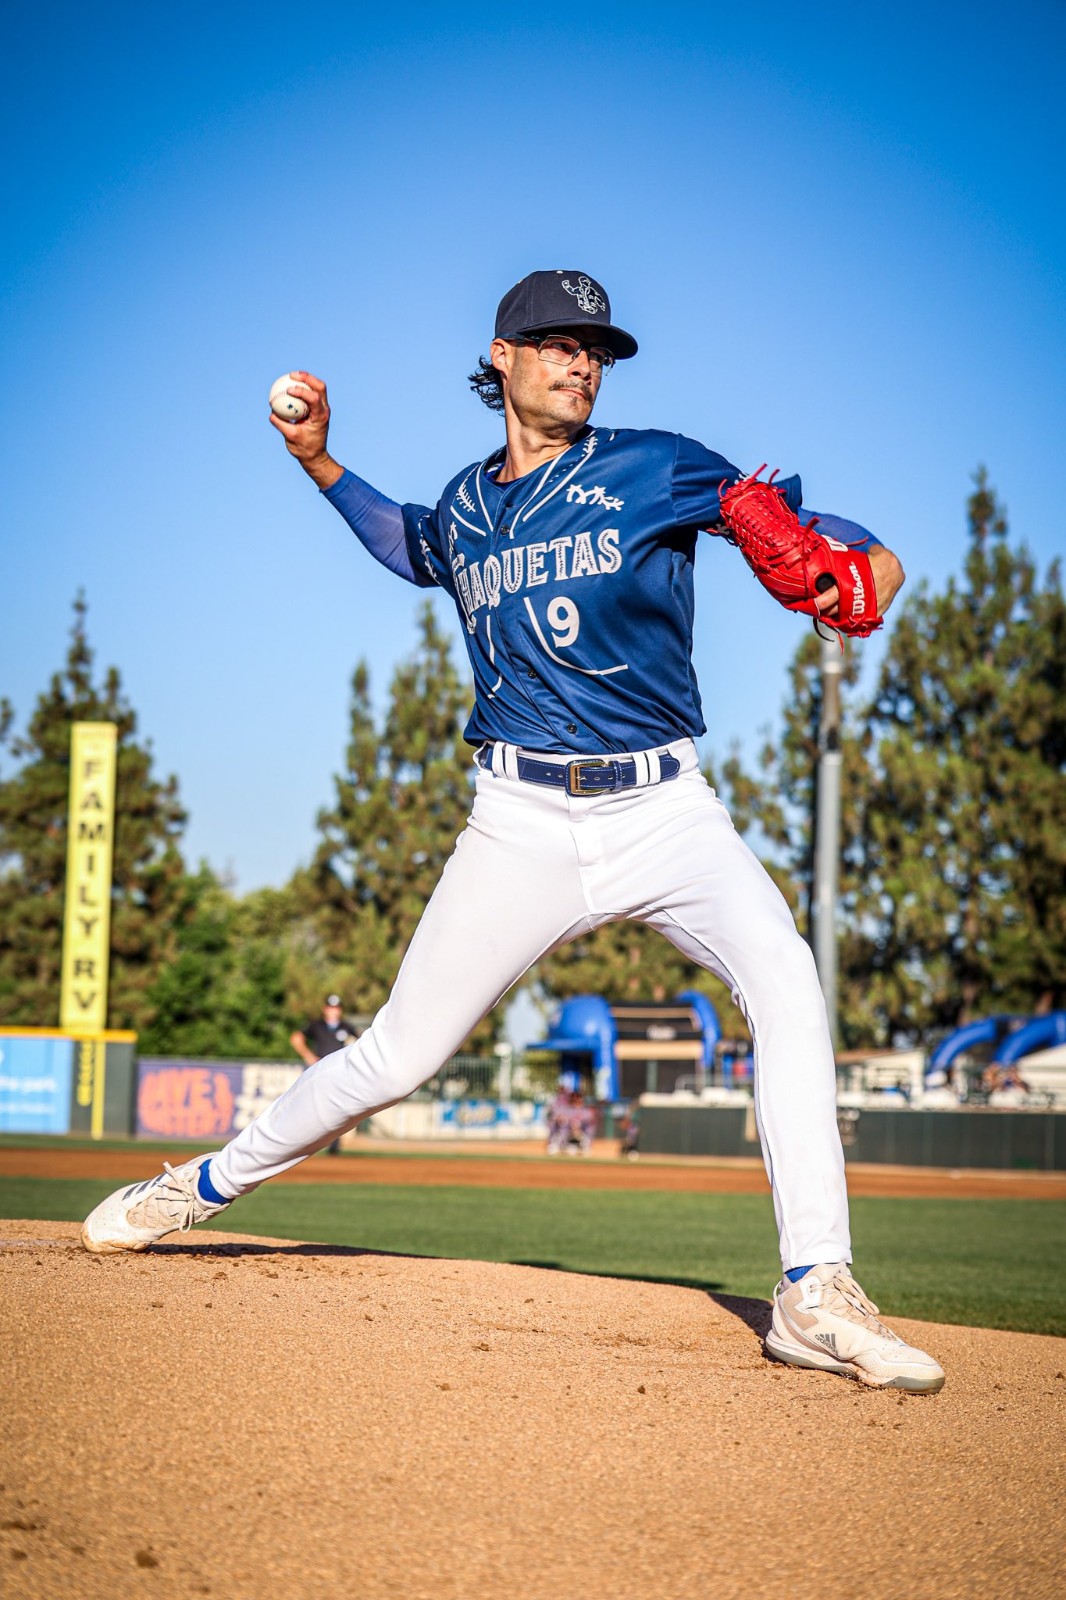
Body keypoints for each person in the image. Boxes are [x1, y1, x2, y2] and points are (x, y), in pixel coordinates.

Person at [82, 269, 944, 1393]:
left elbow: (811, 531)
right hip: (520, 818)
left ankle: (814, 1289)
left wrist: (869, 566)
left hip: (663, 806)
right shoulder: (468, 505)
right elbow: (410, 543)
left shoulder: (654, 465)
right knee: (394, 1056)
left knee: (786, 980)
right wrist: (319, 463)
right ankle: (194, 1188)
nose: (582, 363)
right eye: (559, 343)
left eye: (597, 350)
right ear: (502, 357)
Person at [290, 994, 357, 1069]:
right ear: (324, 1009)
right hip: (320, 1068)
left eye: (336, 1008)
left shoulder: (347, 1027)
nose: (334, 1011)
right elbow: (296, 1038)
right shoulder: (317, 1025)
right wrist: (309, 1056)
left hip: (339, 1068)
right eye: (331, 1008)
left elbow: (359, 1042)